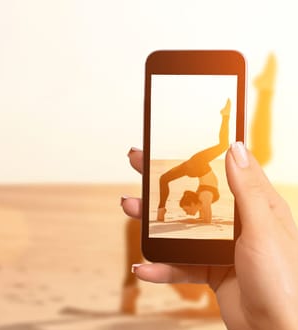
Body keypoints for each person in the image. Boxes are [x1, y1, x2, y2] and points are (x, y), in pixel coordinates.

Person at [119, 53, 279, 316]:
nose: (190, 214)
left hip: (211, 171)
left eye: (189, 210)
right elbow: (168, 180)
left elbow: (212, 149)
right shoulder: (201, 182)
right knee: (257, 152)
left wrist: (226, 118)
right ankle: (265, 93)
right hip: (201, 273)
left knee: (255, 152)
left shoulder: (201, 176)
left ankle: (264, 93)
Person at [121, 143, 298, 330]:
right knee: (167, 178)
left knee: (170, 176)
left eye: (189, 211)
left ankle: (130, 292)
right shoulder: (200, 186)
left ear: (193, 203)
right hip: (198, 168)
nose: (190, 214)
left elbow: (206, 216)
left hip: (200, 169)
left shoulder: (204, 193)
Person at [156, 98, 231, 223]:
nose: (187, 213)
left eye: (186, 210)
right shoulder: (204, 198)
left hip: (195, 166)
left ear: (193, 204)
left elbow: (204, 217)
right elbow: (207, 220)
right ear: (193, 204)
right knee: (223, 145)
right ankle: (225, 115)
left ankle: (161, 210)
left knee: (164, 179)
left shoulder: (202, 199)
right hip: (196, 166)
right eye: (186, 211)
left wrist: (200, 217)